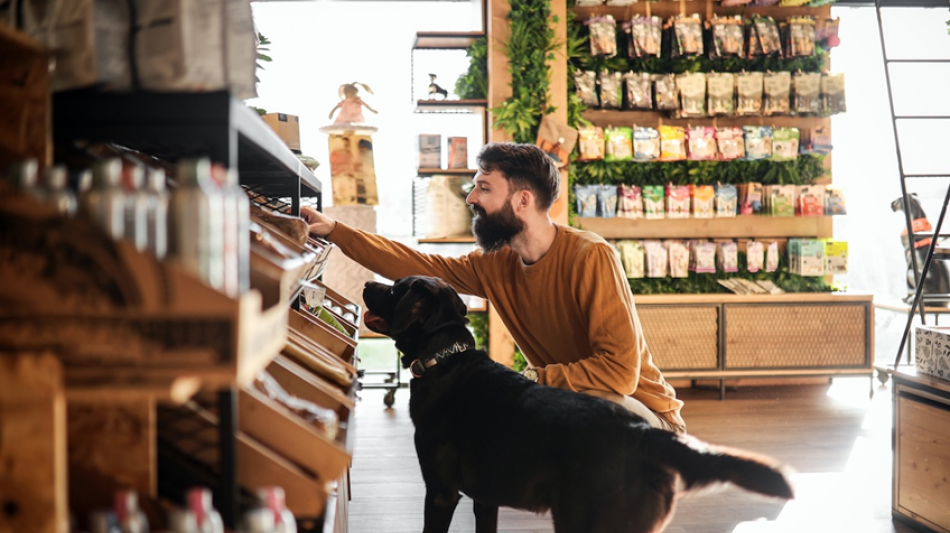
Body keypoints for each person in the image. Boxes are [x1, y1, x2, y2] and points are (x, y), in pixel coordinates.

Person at [301, 142, 685, 433]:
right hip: (571, 404)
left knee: (580, 413)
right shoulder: (497, 263)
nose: (470, 198)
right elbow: (418, 267)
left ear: (522, 200)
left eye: (484, 188)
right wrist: (335, 231)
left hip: (646, 421)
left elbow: (619, 373)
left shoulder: (590, 256)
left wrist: (531, 380)